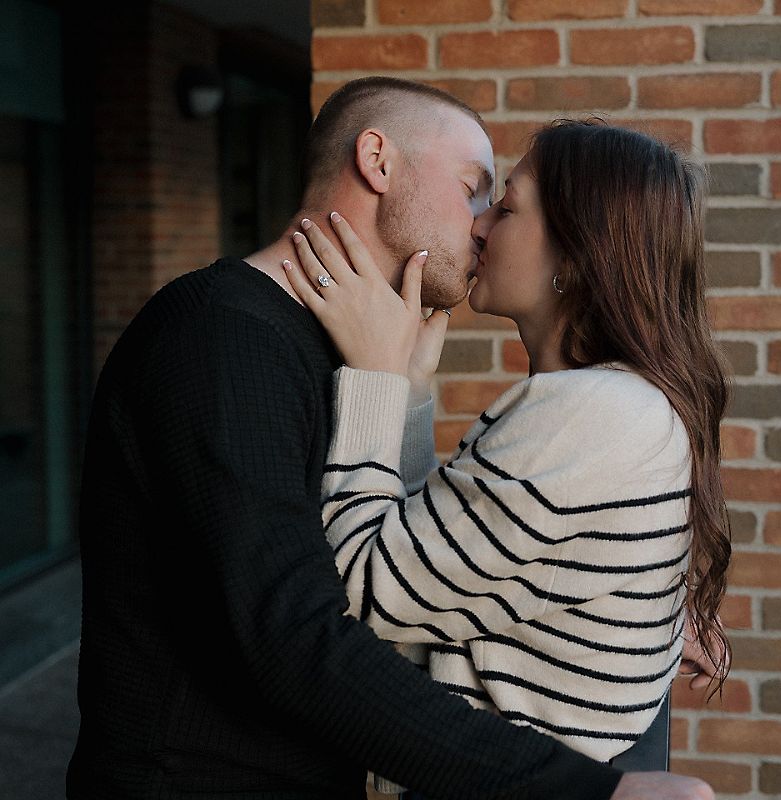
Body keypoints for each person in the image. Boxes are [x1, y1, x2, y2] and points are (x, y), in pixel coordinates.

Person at [67, 77, 717, 800]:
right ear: (377, 161)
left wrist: (624, 610)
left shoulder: (349, 352)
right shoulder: (221, 336)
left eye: (500, 204)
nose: (480, 225)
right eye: (474, 191)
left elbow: (409, 568)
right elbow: (304, 631)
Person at [283, 117, 731, 788]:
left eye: (507, 207)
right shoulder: (617, 402)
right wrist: (409, 395)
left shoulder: (587, 412)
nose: (479, 226)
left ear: (576, 257)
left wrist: (374, 381)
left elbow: (365, 587)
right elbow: (441, 567)